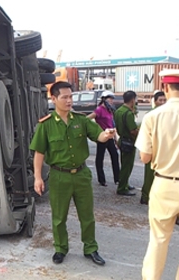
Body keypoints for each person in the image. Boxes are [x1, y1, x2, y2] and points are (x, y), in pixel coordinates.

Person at [29, 81, 116, 266]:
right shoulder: (46, 125)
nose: (69, 101)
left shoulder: (81, 120)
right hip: (59, 176)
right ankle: (60, 248)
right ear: (54, 99)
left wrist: (107, 134)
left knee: (87, 215)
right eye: (65, 97)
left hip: (81, 175)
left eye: (71, 97)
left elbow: (98, 135)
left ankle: (90, 248)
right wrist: (37, 177)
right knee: (59, 217)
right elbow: (39, 153)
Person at [135, 69, 179, 280]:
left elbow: (144, 157)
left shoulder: (153, 116)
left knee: (158, 239)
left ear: (165, 87)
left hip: (164, 182)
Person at [87, 91, 120, 186]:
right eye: (110, 100)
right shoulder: (99, 110)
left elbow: (112, 125)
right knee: (100, 158)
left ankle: (117, 179)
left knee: (115, 155)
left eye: (112, 101)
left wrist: (115, 138)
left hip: (110, 137)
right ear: (104, 100)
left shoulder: (109, 110)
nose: (111, 102)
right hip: (102, 136)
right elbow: (87, 119)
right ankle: (101, 180)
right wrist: (94, 129)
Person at [140, 91, 166, 205]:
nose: (162, 102)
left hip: (164, 151)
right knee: (149, 176)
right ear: (155, 101)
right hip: (152, 149)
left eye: (164, 100)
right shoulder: (150, 115)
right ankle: (145, 196)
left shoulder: (167, 114)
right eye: (160, 100)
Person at [114, 90, 138, 196]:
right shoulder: (128, 113)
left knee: (124, 163)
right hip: (129, 141)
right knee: (127, 166)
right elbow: (133, 130)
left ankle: (125, 183)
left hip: (122, 140)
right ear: (132, 100)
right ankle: (122, 187)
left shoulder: (118, 111)